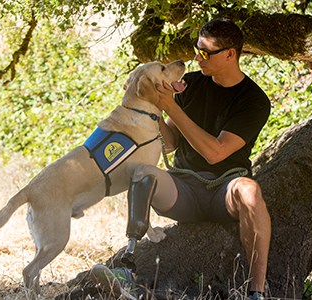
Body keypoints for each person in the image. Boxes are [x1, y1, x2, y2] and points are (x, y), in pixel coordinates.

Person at [91, 18, 271, 300]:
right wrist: (154, 106)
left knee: (250, 190)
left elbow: (215, 153)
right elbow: (172, 143)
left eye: (205, 53)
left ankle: (256, 293)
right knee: (142, 172)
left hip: (224, 192)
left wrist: (172, 108)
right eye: (196, 49)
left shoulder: (254, 100)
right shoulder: (192, 83)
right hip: (183, 189)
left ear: (230, 54)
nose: (196, 58)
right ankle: (127, 266)